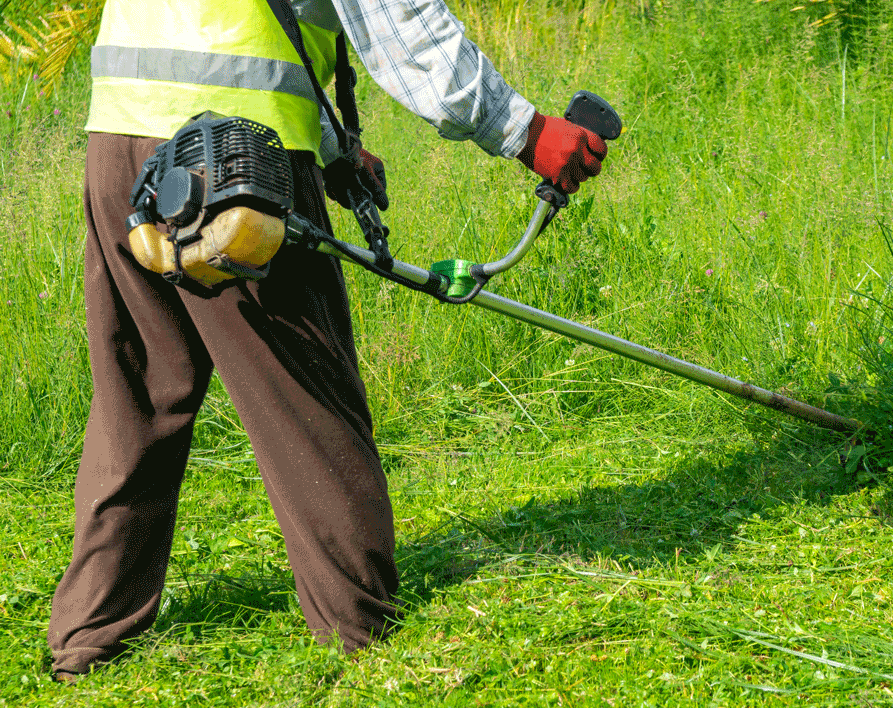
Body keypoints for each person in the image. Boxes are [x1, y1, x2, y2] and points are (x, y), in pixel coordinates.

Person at [47, 0, 607, 681]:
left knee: (133, 399)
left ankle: (87, 636)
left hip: (119, 142)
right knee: (307, 395)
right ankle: (358, 624)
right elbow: (401, 23)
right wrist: (527, 132)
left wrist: (334, 151)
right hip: (235, 157)